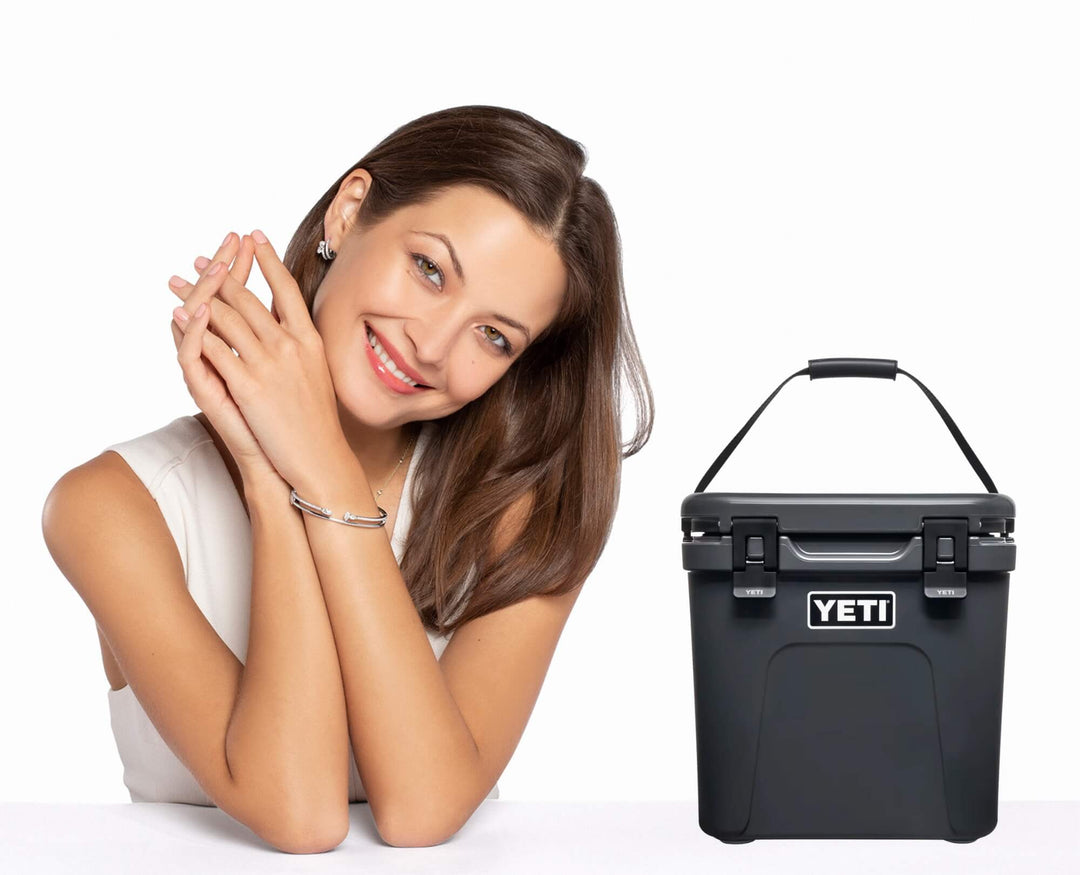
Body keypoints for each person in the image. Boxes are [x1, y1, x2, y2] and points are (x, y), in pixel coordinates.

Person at [41, 104, 654, 853]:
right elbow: (299, 814)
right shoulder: (111, 507)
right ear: (349, 210)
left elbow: (423, 809)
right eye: (429, 269)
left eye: (493, 336)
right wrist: (271, 480)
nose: (431, 346)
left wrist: (323, 474)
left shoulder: (520, 514)